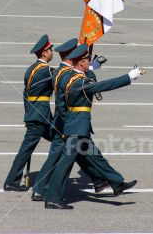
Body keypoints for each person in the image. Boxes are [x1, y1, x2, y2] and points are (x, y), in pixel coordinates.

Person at [45, 44, 142, 209]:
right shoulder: (77, 82)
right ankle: (53, 198)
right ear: (81, 63)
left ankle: (116, 183)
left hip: (76, 126)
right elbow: (104, 86)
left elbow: (62, 106)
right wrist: (129, 77)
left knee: (95, 157)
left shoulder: (68, 77)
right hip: (76, 127)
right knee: (65, 164)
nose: (88, 63)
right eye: (87, 61)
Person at [32, 38, 109, 201]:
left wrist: (89, 67)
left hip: (66, 121)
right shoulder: (66, 72)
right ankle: (42, 189)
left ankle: (99, 180)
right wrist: (91, 69)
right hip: (67, 122)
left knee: (81, 151)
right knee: (69, 153)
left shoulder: (62, 69)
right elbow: (85, 84)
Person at [4, 34, 54, 192]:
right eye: (50, 49)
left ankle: (97, 177)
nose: (53, 51)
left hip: (38, 116)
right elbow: (63, 77)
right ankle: (12, 182)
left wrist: (28, 115)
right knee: (64, 143)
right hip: (40, 117)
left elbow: (26, 95)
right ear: (44, 53)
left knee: (65, 142)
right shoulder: (44, 70)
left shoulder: (32, 69)